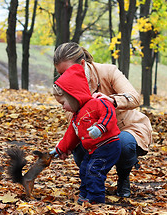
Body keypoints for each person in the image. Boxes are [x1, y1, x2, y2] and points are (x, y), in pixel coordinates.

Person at [53, 42, 152, 198]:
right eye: (60, 73)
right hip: (93, 133)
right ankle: (93, 182)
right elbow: (73, 120)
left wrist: (111, 101)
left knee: (123, 144)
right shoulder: (62, 87)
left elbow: (134, 98)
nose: (64, 77)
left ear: (82, 64)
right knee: (80, 151)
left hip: (124, 128)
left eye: (67, 71)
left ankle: (124, 176)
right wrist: (65, 145)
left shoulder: (108, 71)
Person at [51, 64, 121, 204]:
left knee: (94, 170)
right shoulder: (76, 117)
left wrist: (100, 127)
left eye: (63, 102)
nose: (63, 107)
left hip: (108, 145)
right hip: (94, 149)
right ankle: (85, 193)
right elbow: (70, 136)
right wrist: (60, 149)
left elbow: (109, 112)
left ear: (73, 96)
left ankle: (95, 198)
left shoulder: (96, 103)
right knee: (84, 169)